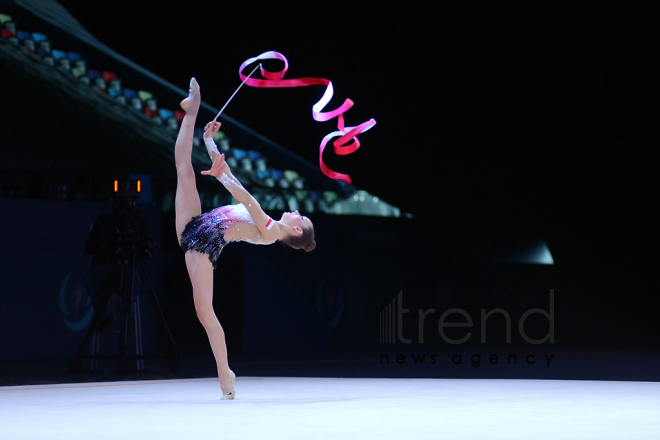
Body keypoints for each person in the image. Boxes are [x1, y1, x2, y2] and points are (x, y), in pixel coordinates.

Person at [174, 78, 315, 399]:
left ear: (296, 230)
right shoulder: (267, 221)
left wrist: (220, 172)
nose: (296, 211)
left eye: (301, 217)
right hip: (194, 225)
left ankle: (226, 375)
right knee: (184, 170)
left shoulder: (268, 232)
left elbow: (247, 198)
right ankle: (192, 109)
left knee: (204, 313)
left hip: (203, 247)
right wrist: (210, 144)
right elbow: (236, 184)